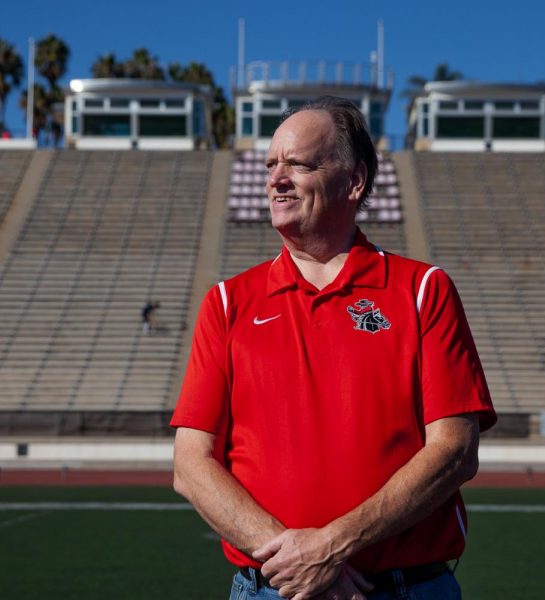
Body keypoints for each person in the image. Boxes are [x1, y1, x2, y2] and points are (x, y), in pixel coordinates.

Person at [171, 96, 496, 600]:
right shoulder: (228, 303)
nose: (277, 178)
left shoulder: (422, 289)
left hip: (400, 590)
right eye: (270, 164)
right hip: (269, 589)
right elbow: (191, 466)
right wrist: (296, 560)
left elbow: (455, 450)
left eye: (297, 163)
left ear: (355, 180)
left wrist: (331, 546)